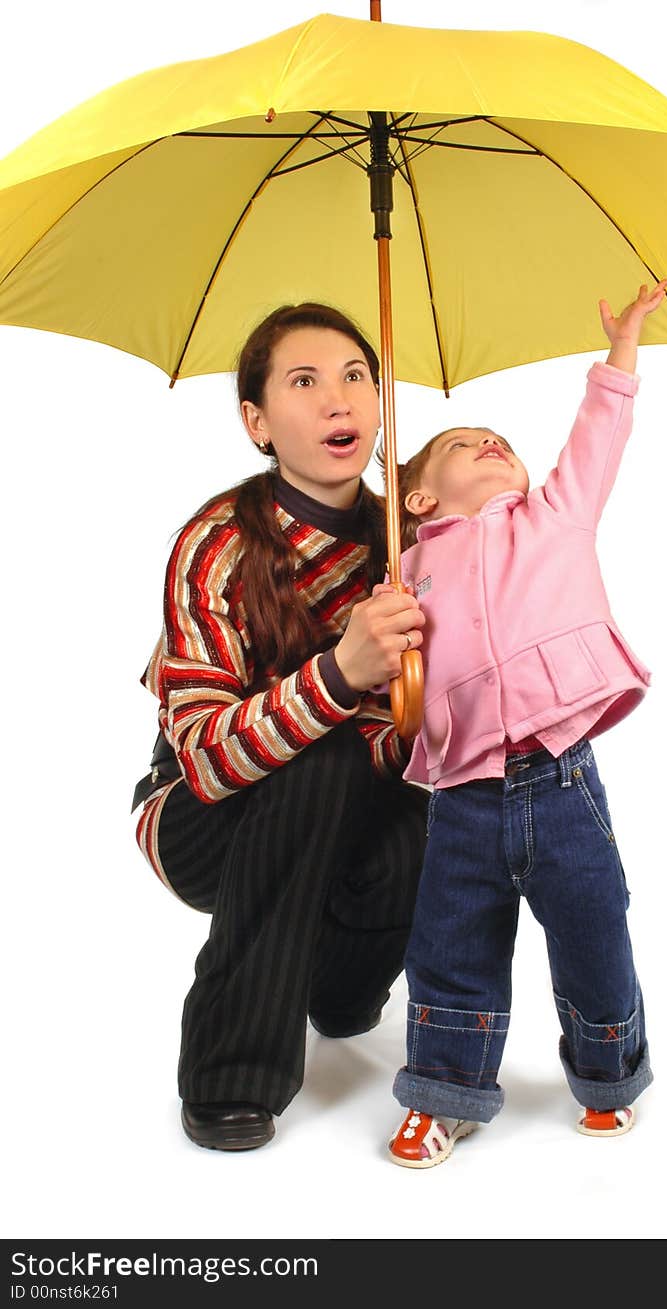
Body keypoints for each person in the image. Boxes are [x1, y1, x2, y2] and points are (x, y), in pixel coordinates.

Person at [385, 281, 667, 1168]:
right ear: (419, 498)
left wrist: (620, 353)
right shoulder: (405, 570)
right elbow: (390, 675)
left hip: (561, 774)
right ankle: (445, 1088)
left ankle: (608, 1071)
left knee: (594, 924)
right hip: (462, 793)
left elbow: (598, 440)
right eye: (465, 446)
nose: (490, 443)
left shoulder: (553, 515)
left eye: (499, 439)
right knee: (448, 942)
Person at [132, 302, 428, 1151]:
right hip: (201, 814)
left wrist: (411, 713)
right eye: (305, 382)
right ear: (256, 420)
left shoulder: (406, 541)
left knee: (434, 812)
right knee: (320, 759)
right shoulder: (216, 542)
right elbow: (206, 758)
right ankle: (231, 1072)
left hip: (347, 799)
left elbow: (404, 743)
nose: (339, 401)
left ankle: (340, 986)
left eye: (355, 377)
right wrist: (342, 672)